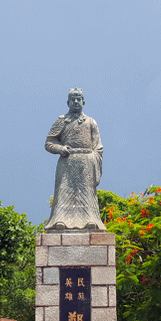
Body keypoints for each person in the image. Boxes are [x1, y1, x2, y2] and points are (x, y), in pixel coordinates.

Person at [44, 88, 105, 231]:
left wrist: (92, 158)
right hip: (67, 163)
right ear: (68, 102)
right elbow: (49, 142)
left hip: (86, 164)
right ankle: (60, 221)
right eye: (73, 99)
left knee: (86, 193)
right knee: (64, 192)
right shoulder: (61, 121)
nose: (76, 102)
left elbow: (99, 146)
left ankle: (90, 220)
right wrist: (60, 149)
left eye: (79, 99)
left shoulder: (91, 122)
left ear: (83, 102)